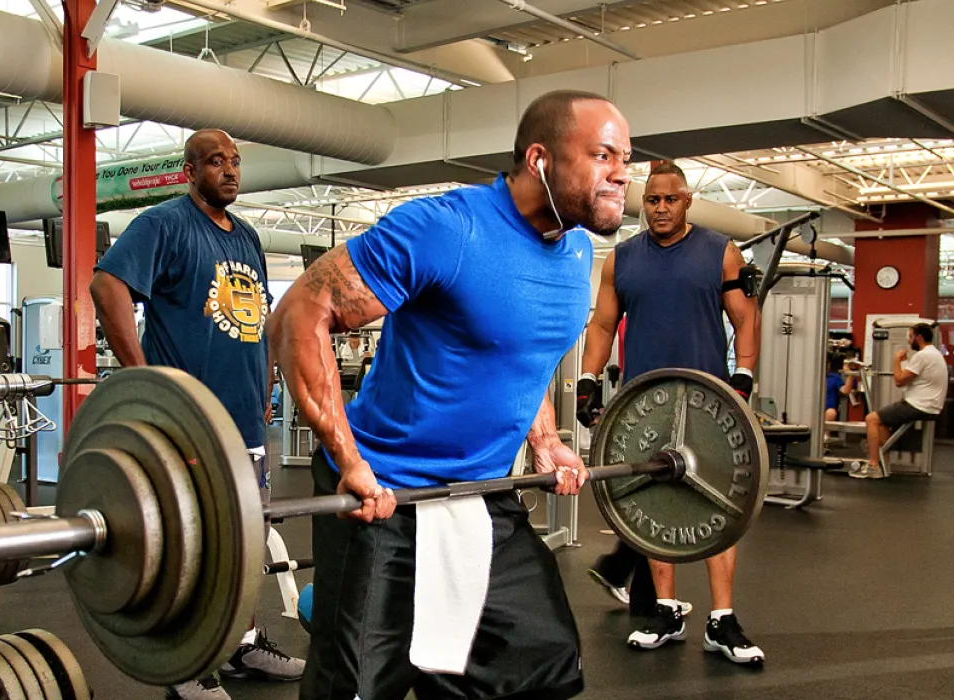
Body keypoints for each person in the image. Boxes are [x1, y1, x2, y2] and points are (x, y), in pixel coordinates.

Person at [268, 90, 623, 700]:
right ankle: (335, 608)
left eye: (627, 157)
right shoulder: (445, 229)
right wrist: (348, 460)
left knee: (537, 662)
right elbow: (300, 316)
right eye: (603, 154)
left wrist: (545, 439)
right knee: (354, 685)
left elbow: (521, 357)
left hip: (481, 494)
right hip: (383, 489)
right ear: (539, 159)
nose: (622, 172)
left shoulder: (576, 252)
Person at [90, 129, 300, 700]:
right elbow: (107, 286)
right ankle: (183, 664)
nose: (230, 171)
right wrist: (143, 381)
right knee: (190, 543)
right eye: (215, 162)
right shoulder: (164, 225)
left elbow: (257, 318)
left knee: (244, 541)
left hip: (246, 423)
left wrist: (267, 384)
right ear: (190, 170)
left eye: (234, 161)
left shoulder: (249, 237)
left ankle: (242, 642)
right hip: (189, 424)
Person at [573, 160, 766, 660]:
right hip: (647, 400)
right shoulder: (622, 259)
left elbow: (745, 317)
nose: (660, 208)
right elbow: (602, 325)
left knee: (720, 507)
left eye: (670, 199)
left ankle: (721, 619)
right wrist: (588, 380)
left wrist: (743, 374)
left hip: (707, 400)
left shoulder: (720, 252)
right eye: (652, 201)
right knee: (656, 506)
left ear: (687, 202)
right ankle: (667, 608)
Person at [849, 323, 947, 479]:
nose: (909, 341)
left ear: (919, 337)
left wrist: (896, 359)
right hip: (929, 404)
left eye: (910, 337)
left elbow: (899, 380)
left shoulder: (922, 356)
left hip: (919, 405)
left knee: (871, 419)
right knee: (882, 422)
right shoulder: (934, 354)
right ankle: (883, 463)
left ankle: (873, 465)